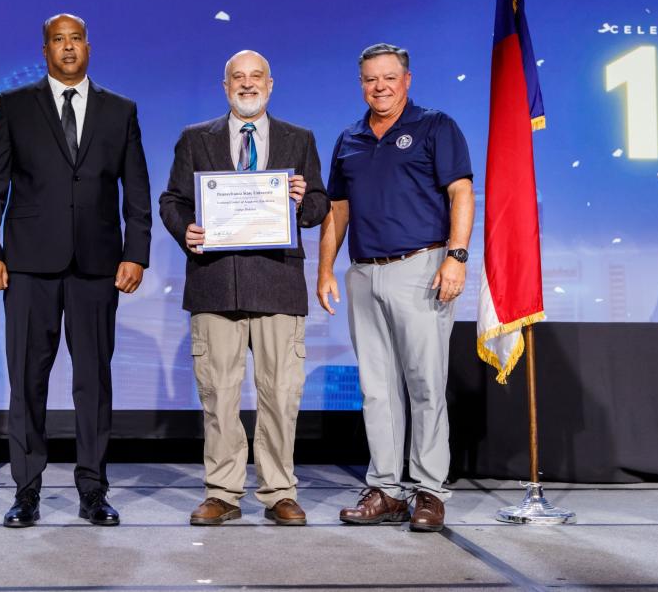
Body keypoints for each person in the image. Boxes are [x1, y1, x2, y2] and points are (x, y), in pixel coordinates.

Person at [0, 13, 151, 528]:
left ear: (88, 47)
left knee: (93, 380)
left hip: (98, 266)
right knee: (27, 379)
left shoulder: (120, 110)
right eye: (58, 40)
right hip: (27, 265)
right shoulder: (13, 106)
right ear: (45, 48)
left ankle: (93, 490)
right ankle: (26, 490)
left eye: (75, 40)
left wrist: (135, 252)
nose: (68, 48)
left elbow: (135, 191)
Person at [160, 50, 329, 526]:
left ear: (270, 85)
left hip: (277, 283)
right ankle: (223, 492)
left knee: (280, 394)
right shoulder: (195, 139)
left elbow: (318, 204)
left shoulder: (300, 138)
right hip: (215, 285)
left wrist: (302, 201)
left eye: (256, 77)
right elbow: (172, 200)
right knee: (219, 395)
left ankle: (279, 492)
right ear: (226, 85)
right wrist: (186, 229)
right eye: (239, 77)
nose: (248, 84)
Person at [317, 43, 473, 532]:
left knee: (425, 383)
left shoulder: (435, 126)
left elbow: (461, 192)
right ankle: (385, 488)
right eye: (370, 79)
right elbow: (336, 210)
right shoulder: (349, 139)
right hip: (364, 272)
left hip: (421, 266)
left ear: (407, 80)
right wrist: (325, 270)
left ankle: (428, 490)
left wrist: (457, 255)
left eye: (388, 77)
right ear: (361, 83)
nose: (379, 86)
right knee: (377, 390)